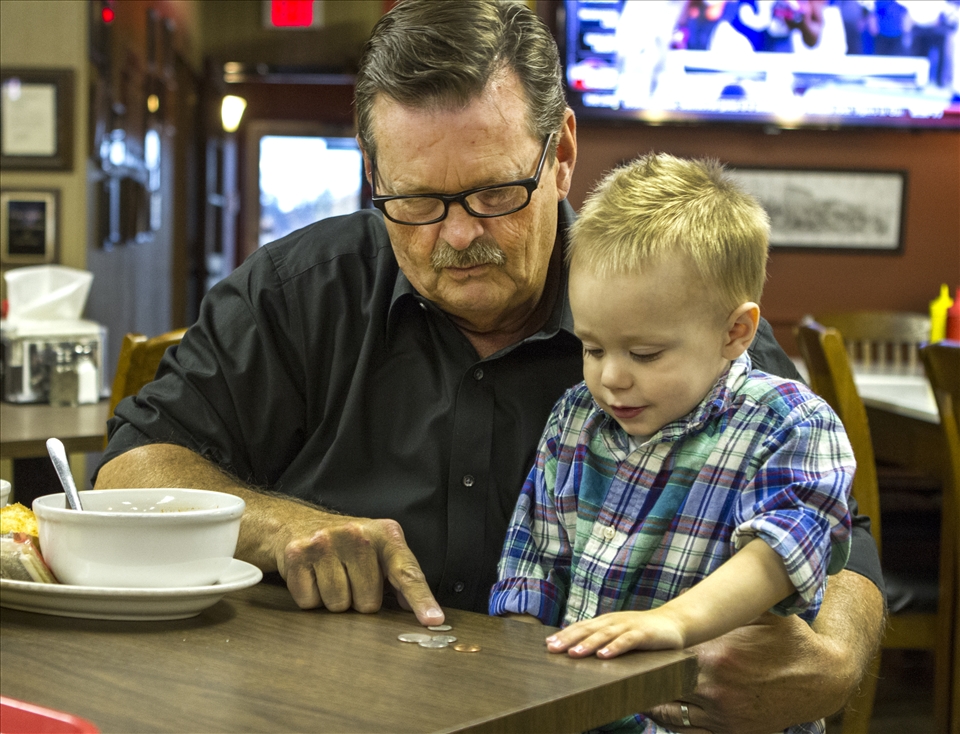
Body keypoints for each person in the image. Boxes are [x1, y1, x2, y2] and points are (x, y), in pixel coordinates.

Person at [94, 1, 884, 731]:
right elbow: (128, 472)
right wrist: (280, 525)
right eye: (417, 200)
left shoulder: (672, 299)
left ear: (563, 153)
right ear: (375, 174)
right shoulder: (297, 293)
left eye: (494, 193)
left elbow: (842, 526)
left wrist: (837, 661)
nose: (458, 235)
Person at [489, 154, 854, 733]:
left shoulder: (790, 422)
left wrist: (675, 622)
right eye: (592, 347)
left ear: (736, 332)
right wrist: (519, 665)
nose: (612, 377)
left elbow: (780, 555)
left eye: (645, 354)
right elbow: (534, 557)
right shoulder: (575, 418)